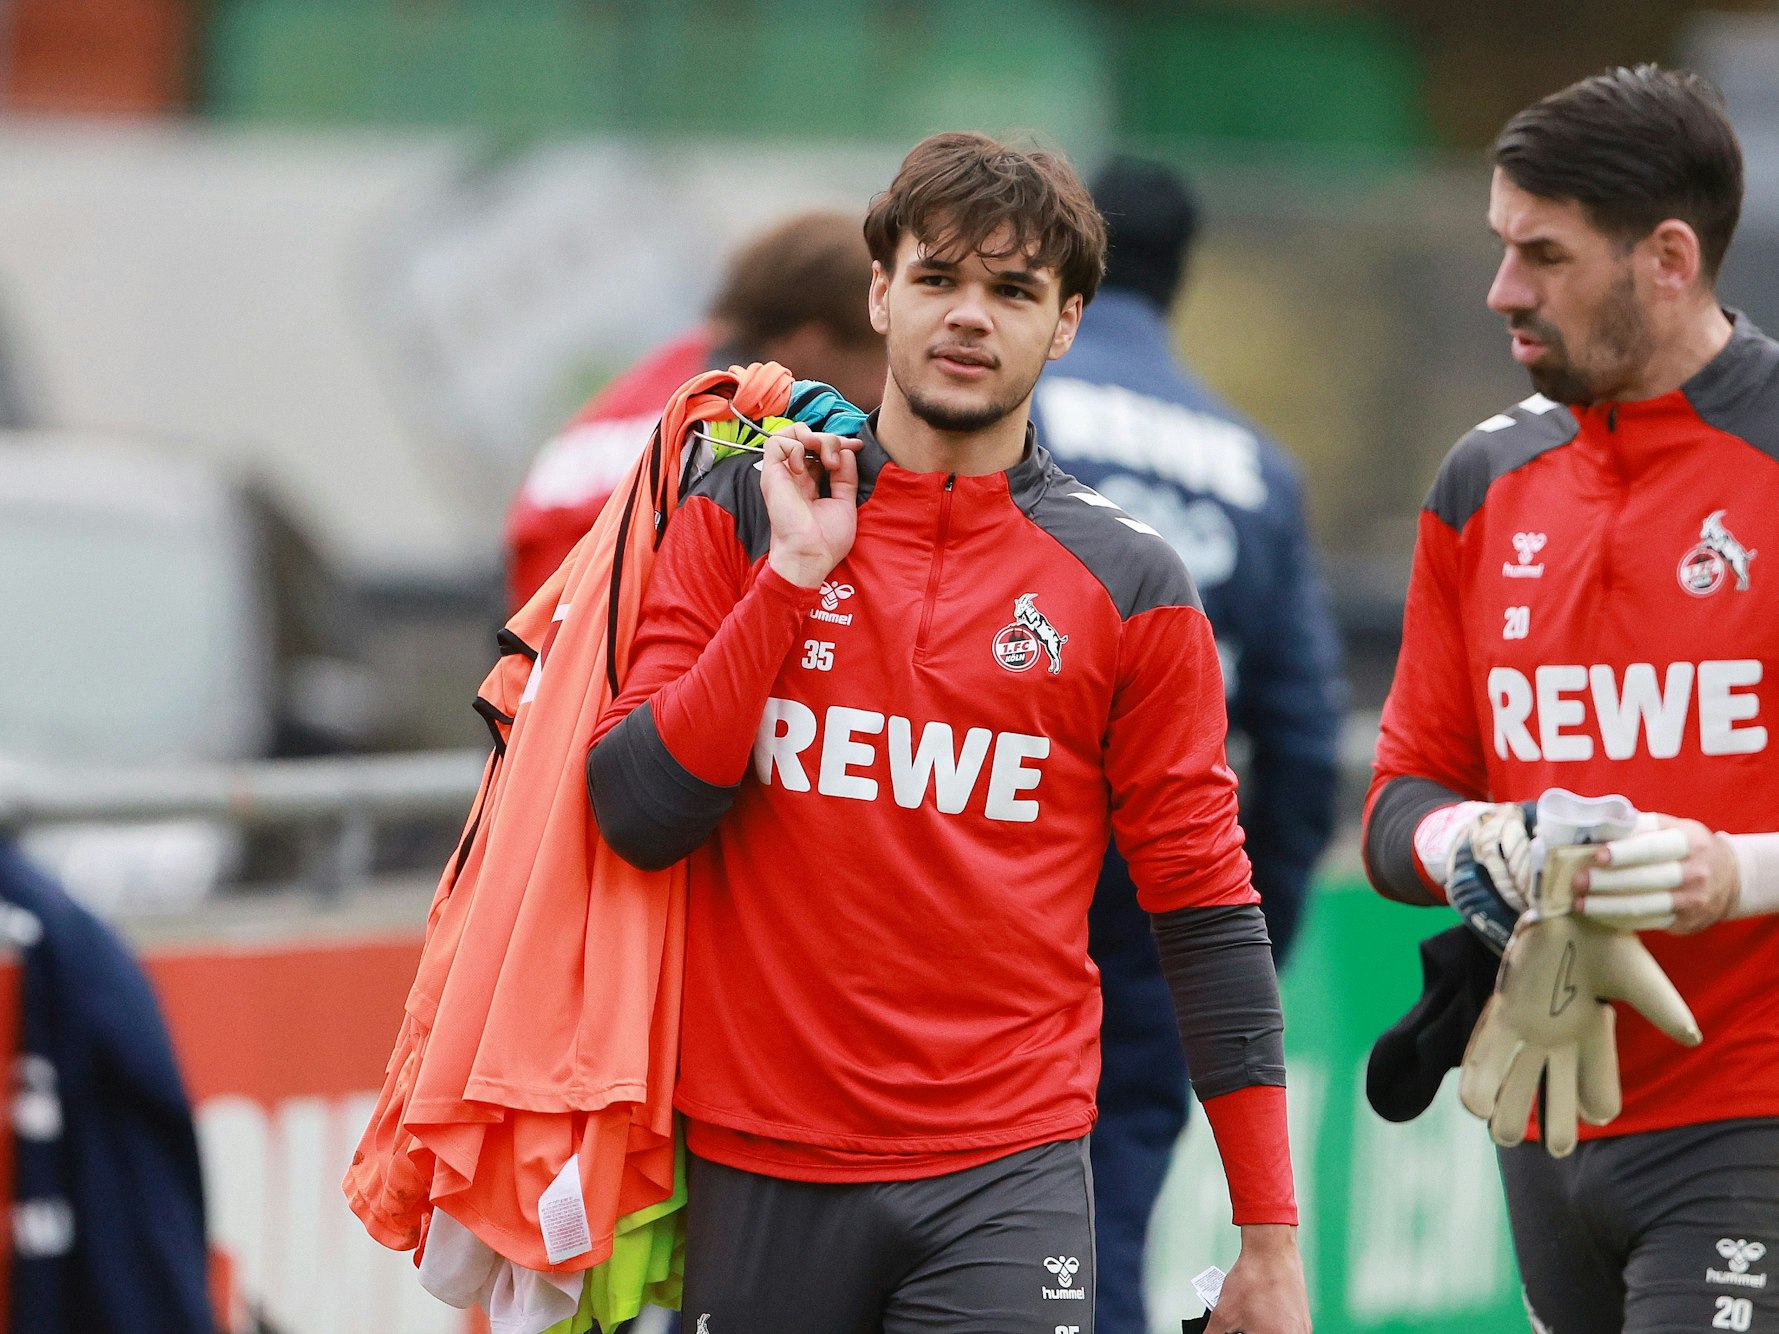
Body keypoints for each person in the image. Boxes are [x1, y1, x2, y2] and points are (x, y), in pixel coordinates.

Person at [588, 131, 1310, 1334]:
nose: (969, 318)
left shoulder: (1133, 583)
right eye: (938, 280)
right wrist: (790, 583)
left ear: (1067, 322)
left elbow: (1207, 913)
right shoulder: (739, 505)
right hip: (756, 1161)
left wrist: (1269, 1241)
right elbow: (638, 811)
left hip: (1007, 1173)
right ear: (881, 294)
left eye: (1014, 291)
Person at [1363, 65, 1779, 1334]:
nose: (1503, 290)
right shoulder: (1482, 479)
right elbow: (1398, 801)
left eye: (1543, 254)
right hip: (1545, 1100)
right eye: (1501, 245)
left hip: (1753, 1107)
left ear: (1667, 256)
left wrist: (1736, 872)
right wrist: (1473, 839)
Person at [1032, 158, 1344, 1334]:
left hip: (993, 850)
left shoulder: (1013, 400)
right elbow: (1306, 740)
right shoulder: (1254, 463)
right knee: (1101, 1218)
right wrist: (1247, 946)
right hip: (1161, 896)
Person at [504, 209, 888, 611]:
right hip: (589, 638)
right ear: (812, 343)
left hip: (527, 628)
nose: (883, 386)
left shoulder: (673, 372)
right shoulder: (738, 429)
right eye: (881, 358)